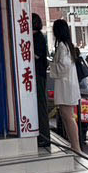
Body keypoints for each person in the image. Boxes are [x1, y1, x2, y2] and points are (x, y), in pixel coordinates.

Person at [48, 18, 83, 153]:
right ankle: (73, 145)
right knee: (66, 116)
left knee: (68, 117)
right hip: (67, 86)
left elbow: (63, 66)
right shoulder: (67, 45)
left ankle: (76, 146)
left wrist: (51, 65)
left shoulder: (63, 46)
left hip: (66, 87)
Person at [32, 13, 51, 149]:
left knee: (41, 105)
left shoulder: (38, 37)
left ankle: (44, 137)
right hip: (37, 74)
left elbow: (37, 55)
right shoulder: (38, 36)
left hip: (39, 75)